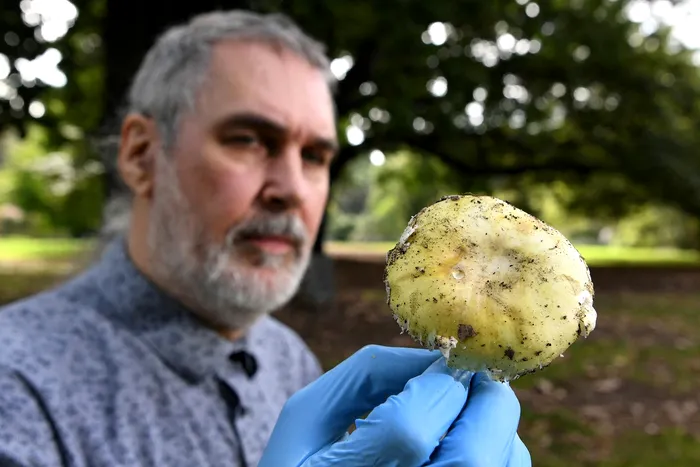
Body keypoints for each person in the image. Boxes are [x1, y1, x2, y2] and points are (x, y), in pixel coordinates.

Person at [0, 9, 530, 467]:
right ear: (142, 156)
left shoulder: (288, 356)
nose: (293, 189)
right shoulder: (17, 388)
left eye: (315, 156)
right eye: (249, 140)